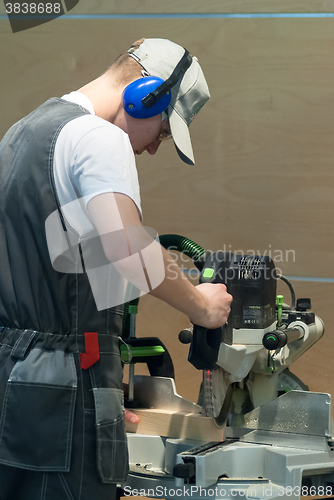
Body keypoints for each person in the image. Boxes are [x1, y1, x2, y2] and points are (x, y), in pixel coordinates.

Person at [0, 38, 232, 500]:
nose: (151, 150)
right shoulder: (99, 137)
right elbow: (128, 245)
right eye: (163, 132)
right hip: (62, 392)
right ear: (148, 96)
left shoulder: (21, 133)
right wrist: (202, 307)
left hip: (16, 386)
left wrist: (98, 393)